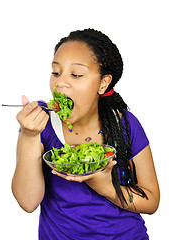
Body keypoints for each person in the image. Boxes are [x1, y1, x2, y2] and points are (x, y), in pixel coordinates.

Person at [12, 29, 160, 239]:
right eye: (56, 72)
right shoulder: (40, 124)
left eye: (76, 74)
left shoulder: (125, 124)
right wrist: (28, 135)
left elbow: (152, 201)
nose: (60, 83)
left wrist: (105, 186)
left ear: (103, 83)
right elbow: (28, 202)